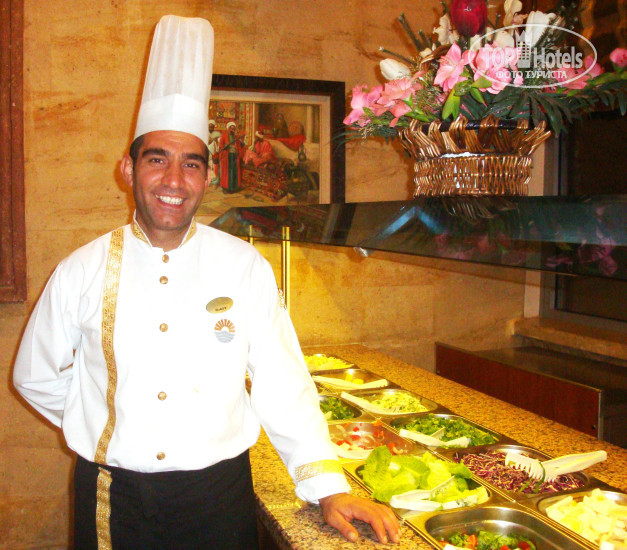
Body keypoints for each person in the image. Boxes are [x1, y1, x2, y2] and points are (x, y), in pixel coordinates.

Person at [12, 15, 400, 550]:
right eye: (157, 160)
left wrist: (328, 488)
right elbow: (35, 375)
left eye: (191, 164)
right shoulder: (80, 270)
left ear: (209, 176)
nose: (174, 180)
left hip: (220, 497)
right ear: (128, 169)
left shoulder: (243, 266)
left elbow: (282, 380)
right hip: (113, 497)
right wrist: (104, 422)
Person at [217, 120, 245, 193]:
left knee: (234, 172)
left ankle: (234, 188)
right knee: (228, 173)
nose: (232, 130)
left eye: (233, 128)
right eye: (231, 128)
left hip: (234, 157)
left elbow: (240, 146)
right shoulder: (224, 137)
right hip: (227, 157)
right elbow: (220, 147)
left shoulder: (236, 138)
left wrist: (242, 141)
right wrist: (225, 147)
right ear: (228, 129)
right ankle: (226, 188)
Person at [207, 118, 221, 185]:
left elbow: (218, 143)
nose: (211, 128)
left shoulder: (216, 134)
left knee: (212, 166)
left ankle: (212, 179)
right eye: (209, 127)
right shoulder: (205, 133)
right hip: (206, 151)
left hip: (213, 152)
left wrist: (215, 141)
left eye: (212, 127)